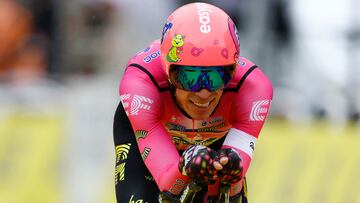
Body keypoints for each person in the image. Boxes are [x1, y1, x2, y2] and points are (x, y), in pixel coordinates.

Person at [113, 2, 273, 203]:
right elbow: (168, 185)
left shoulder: (253, 88)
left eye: (216, 78)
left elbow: (233, 189)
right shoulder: (141, 83)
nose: (204, 93)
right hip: (158, 134)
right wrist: (185, 167)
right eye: (190, 78)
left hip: (213, 143)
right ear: (167, 70)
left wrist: (232, 179)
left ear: (232, 71)